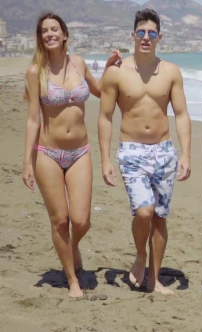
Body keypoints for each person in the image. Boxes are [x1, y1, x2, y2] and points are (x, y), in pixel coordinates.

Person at [21, 12, 120, 299]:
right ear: (40, 37)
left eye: (54, 29)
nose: (49, 34)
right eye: (44, 31)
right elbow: (32, 120)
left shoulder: (78, 63)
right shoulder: (34, 71)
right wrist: (27, 161)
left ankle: (72, 246)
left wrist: (111, 67)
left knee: (81, 221)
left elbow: (100, 91)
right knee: (60, 220)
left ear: (65, 34)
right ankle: (72, 278)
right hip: (48, 154)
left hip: (79, 152)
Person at [98, 8, 192, 295]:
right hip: (132, 152)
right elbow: (105, 117)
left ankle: (155, 278)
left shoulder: (171, 71)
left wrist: (186, 154)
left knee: (160, 217)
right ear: (133, 36)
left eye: (152, 33)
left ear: (159, 37)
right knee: (144, 211)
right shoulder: (117, 73)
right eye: (141, 32)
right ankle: (141, 255)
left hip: (164, 151)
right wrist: (105, 160)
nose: (146, 37)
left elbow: (182, 114)